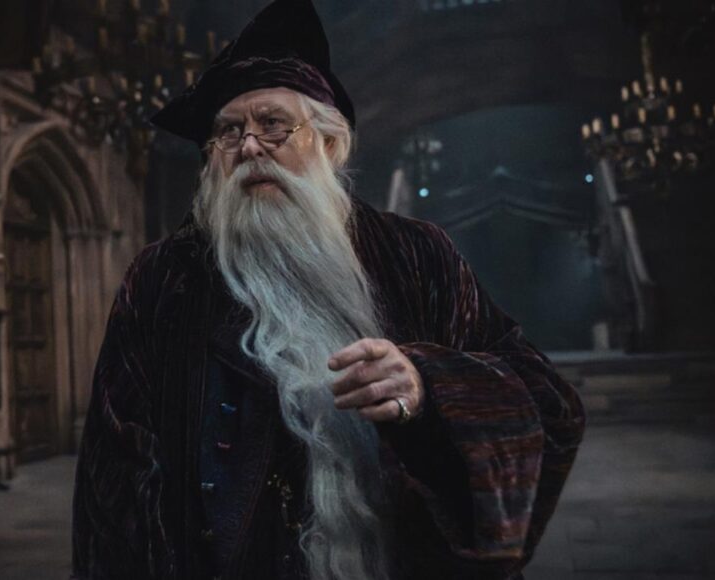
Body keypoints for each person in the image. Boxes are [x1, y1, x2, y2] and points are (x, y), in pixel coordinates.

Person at [71, 1, 585, 579]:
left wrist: (428, 386)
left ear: (330, 143)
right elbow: (114, 470)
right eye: (228, 132)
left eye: (273, 124)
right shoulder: (165, 277)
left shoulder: (416, 255)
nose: (249, 147)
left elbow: (547, 400)